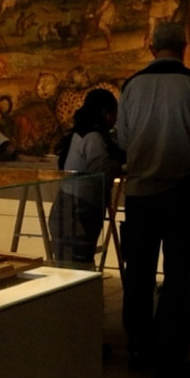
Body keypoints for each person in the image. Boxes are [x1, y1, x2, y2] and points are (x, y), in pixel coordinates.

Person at [115, 21, 190, 378]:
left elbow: (124, 141)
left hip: (141, 193)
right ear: (185, 48)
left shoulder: (131, 86)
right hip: (184, 193)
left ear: (151, 48)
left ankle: (138, 348)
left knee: (139, 273)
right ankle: (170, 356)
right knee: (179, 275)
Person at [52, 89, 124, 266]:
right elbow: (103, 170)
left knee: (71, 264)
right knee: (77, 265)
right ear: (106, 114)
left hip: (69, 208)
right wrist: (124, 166)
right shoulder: (93, 137)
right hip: (78, 211)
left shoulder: (80, 133)